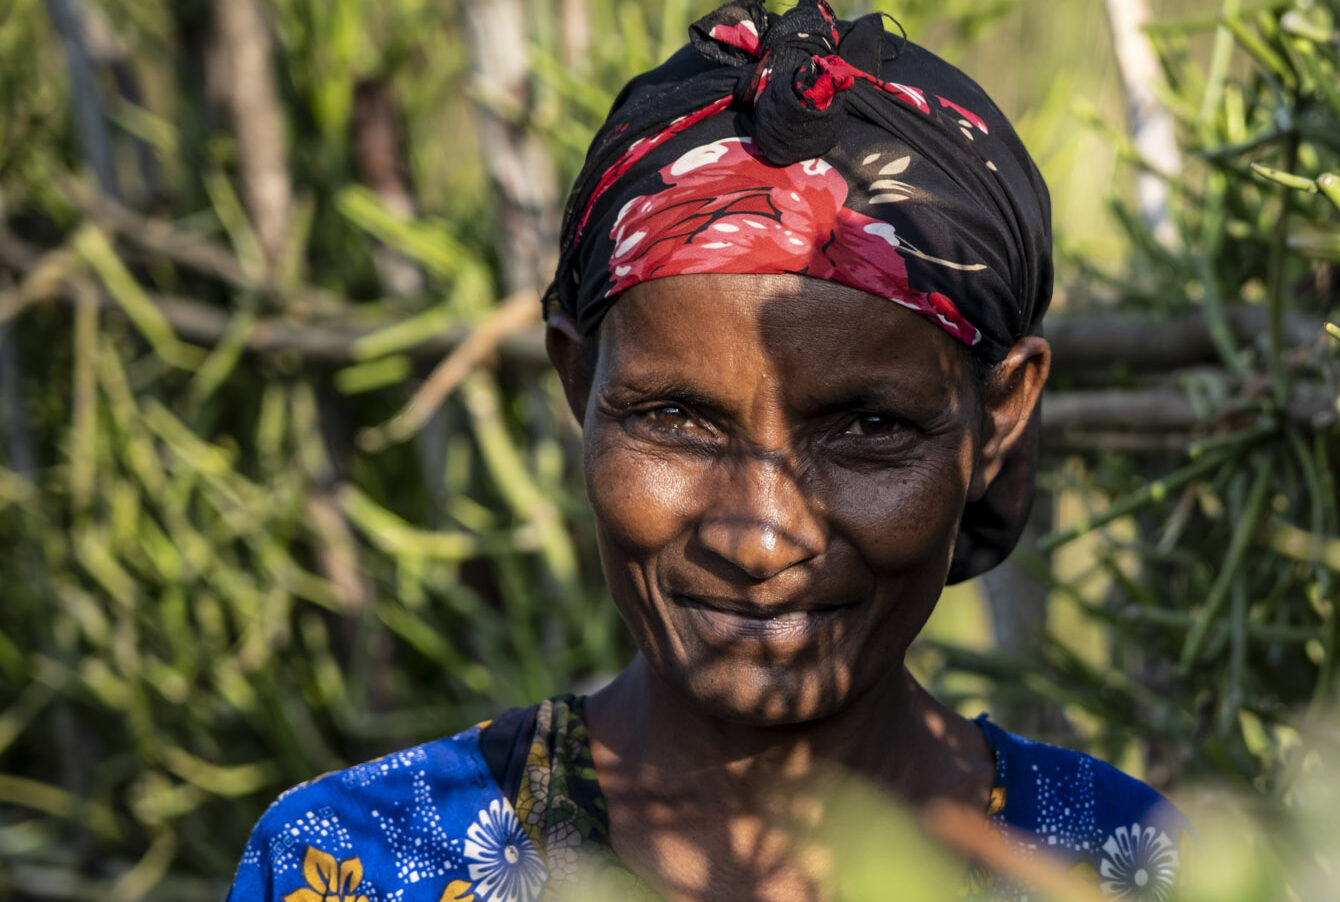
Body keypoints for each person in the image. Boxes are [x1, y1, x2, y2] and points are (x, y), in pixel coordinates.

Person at [226, 2, 1186, 900]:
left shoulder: (1118, 865)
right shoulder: (355, 861)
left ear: (1001, 418)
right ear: (577, 384)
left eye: (869, 428)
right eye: (677, 420)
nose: (761, 540)